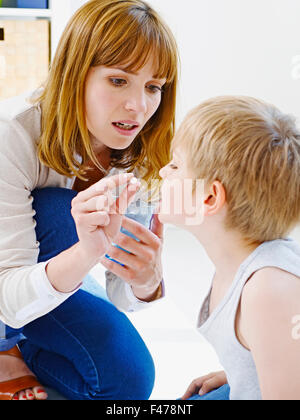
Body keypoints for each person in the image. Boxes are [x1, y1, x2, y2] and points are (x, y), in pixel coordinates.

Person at [0, 0, 178, 400]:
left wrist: (148, 280)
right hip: (4, 278)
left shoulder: (142, 149)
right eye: (118, 81)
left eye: (153, 87)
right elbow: (5, 293)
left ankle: (25, 346)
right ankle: (4, 352)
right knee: (57, 210)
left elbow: (121, 288)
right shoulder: (12, 133)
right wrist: (85, 252)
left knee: (129, 382)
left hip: (46, 274)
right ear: (75, 74)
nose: (138, 107)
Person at [158, 96, 300, 400]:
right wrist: (239, 374)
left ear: (210, 197)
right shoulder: (237, 262)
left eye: (175, 164)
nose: (162, 172)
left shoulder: (269, 289)